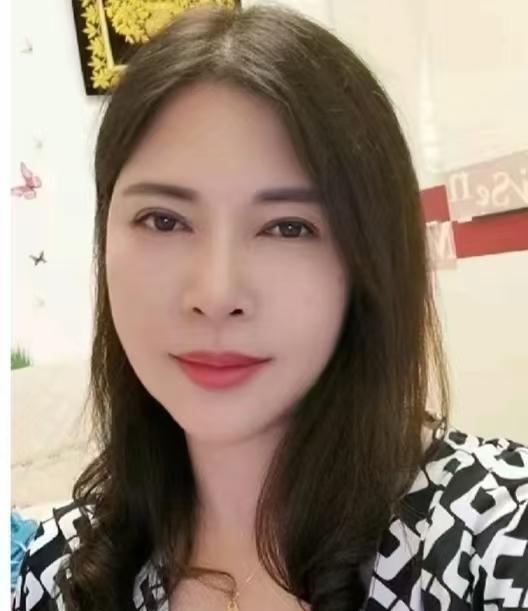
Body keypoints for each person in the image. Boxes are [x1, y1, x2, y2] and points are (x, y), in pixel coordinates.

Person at [12, 4, 528, 611]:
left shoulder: (496, 539)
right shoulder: (57, 570)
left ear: (369, 257)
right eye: (164, 220)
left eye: (288, 227)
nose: (215, 295)